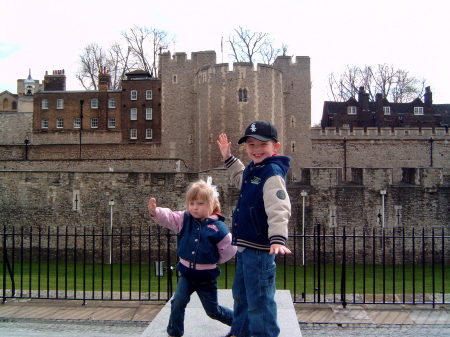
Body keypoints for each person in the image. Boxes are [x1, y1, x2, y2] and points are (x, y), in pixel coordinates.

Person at [216, 120, 292, 337]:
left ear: (275, 146)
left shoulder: (273, 173)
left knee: (259, 301)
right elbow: (243, 178)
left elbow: (279, 207)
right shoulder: (255, 168)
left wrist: (277, 238)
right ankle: (240, 332)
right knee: (241, 295)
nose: (256, 150)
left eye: (262, 145)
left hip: (260, 250)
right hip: (245, 248)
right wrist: (228, 157)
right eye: (251, 145)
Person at [147, 177, 236, 337]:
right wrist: (156, 211)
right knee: (178, 302)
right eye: (192, 203)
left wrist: (216, 260)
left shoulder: (218, 227)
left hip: (206, 278)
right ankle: (174, 333)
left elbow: (229, 247)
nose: (194, 208)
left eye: (200, 204)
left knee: (213, 311)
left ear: (211, 205)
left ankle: (239, 323)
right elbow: (170, 217)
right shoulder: (184, 219)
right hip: (186, 274)